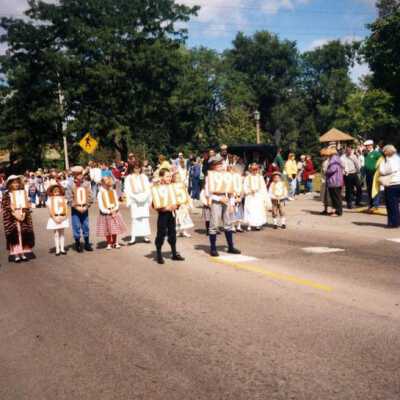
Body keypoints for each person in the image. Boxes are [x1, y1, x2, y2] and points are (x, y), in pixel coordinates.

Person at [205, 154, 241, 257]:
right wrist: (219, 198)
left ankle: (230, 247)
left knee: (228, 223)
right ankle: (213, 248)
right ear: (213, 166)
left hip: (226, 199)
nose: (221, 166)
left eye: (221, 164)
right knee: (214, 224)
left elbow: (230, 190)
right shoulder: (209, 177)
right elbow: (208, 193)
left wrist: (232, 202)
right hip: (216, 200)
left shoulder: (226, 175)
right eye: (218, 164)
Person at [154, 169, 185, 264]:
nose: (169, 178)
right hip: (163, 214)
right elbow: (155, 203)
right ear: (161, 177)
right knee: (161, 233)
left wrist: (177, 205)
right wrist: (165, 208)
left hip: (172, 213)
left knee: (172, 233)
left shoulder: (173, 187)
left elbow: (179, 198)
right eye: (167, 176)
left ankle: (174, 253)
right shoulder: (157, 188)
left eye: (170, 176)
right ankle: (159, 254)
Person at [2, 175, 35, 263]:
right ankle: (16, 254)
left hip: (22, 214)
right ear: (10, 184)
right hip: (12, 217)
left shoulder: (22, 193)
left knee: (23, 233)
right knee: (15, 234)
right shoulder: (6, 194)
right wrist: (15, 214)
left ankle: (23, 253)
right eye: (14, 183)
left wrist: (23, 214)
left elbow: (26, 204)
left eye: (17, 183)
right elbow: (6, 206)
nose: (16, 184)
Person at [66, 166, 94, 252]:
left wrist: (87, 206)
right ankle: (77, 243)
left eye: (81, 174)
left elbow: (90, 196)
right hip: (75, 209)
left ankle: (87, 243)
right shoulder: (70, 184)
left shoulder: (86, 184)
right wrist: (76, 206)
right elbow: (69, 197)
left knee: (86, 225)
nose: (80, 176)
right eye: (77, 174)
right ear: (74, 175)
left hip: (85, 207)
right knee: (76, 225)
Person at [124, 161, 152, 245]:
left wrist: (145, 197)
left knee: (145, 218)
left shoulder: (144, 177)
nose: (137, 170)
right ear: (132, 168)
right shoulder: (129, 178)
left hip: (144, 200)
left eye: (139, 168)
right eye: (135, 168)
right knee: (135, 219)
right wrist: (135, 198)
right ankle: (133, 237)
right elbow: (127, 190)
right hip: (135, 200)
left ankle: (145, 236)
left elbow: (148, 188)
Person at [96, 176, 127, 250]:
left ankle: (115, 242)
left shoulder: (113, 191)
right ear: (103, 184)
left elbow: (116, 202)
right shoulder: (100, 193)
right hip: (105, 213)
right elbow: (101, 205)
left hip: (114, 212)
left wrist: (114, 210)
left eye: (109, 185)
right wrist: (108, 211)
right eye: (107, 185)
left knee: (114, 228)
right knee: (107, 229)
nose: (108, 187)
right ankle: (109, 243)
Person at [379, 145, 400, 228]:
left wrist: (382, 167)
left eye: (384, 151)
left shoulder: (386, 160)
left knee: (391, 205)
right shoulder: (398, 158)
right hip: (398, 183)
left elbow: (383, 171)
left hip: (391, 184)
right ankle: (396, 221)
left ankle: (393, 223)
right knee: (395, 204)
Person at [244, 163, 270, 231]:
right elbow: (245, 186)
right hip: (250, 196)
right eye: (253, 169)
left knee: (258, 210)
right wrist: (249, 191)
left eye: (256, 169)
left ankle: (258, 224)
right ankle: (249, 224)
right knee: (250, 209)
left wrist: (264, 197)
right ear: (250, 170)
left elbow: (263, 187)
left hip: (258, 196)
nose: (254, 171)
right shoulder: (247, 177)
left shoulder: (260, 177)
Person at [46, 184, 69, 256]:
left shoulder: (63, 199)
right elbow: (50, 210)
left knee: (62, 234)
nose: (57, 193)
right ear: (52, 192)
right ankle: (57, 249)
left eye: (58, 191)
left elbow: (66, 209)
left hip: (62, 217)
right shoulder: (50, 199)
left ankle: (62, 249)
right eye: (55, 192)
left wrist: (63, 218)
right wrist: (55, 218)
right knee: (56, 234)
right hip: (54, 218)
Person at [364, 140, 382, 211]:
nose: (367, 147)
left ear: (371, 145)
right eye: (366, 146)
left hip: (374, 174)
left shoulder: (377, 153)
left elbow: (381, 162)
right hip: (368, 174)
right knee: (369, 190)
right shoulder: (366, 154)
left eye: (368, 146)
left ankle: (375, 205)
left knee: (375, 189)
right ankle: (371, 204)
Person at [325, 147, 344, 217]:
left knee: (336, 197)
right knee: (334, 197)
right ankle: (335, 210)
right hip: (334, 181)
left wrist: (326, 171)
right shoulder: (335, 158)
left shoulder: (334, 159)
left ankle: (338, 212)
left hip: (335, 181)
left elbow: (333, 169)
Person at [319, 148, 333, 215]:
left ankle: (332, 210)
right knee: (324, 196)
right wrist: (322, 178)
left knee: (329, 195)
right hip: (324, 179)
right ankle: (325, 209)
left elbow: (329, 171)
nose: (323, 156)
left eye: (324, 155)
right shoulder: (324, 161)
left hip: (329, 179)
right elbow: (322, 171)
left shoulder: (330, 161)